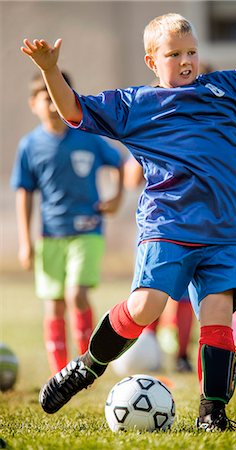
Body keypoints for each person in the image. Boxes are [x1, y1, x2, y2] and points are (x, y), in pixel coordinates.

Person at [20, 13, 236, 431]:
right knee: (145, 306)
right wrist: (49, 69)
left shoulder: (233, 88)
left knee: (218, 314)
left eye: (191, 51)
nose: (186, 60)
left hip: (226, 233)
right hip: (168, 227)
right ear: (152, 61)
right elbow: (74, 109)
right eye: (174, 54)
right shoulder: (135, 105)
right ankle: (86, 366)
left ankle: (213, 414)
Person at [11, 72, 124, 376]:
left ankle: (89, 363)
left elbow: (118, 164)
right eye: (45, 98)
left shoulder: (87, 136)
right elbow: (25, 193)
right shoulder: (30, 146)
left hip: (88, 231)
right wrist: (25, 241)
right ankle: (61, 373)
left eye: (56, 96)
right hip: (50, 236)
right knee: (54, 304)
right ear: (33, 104)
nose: (51, 104)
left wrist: (116, 196)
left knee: (77, 295)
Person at [124, 155, 194, 373]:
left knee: (159, 290)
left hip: (170, 224)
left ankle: (172, 352)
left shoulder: (151, 128)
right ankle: (154, 349)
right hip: (167, 224)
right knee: (156, 291)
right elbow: (132, 179)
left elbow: (131, 179)